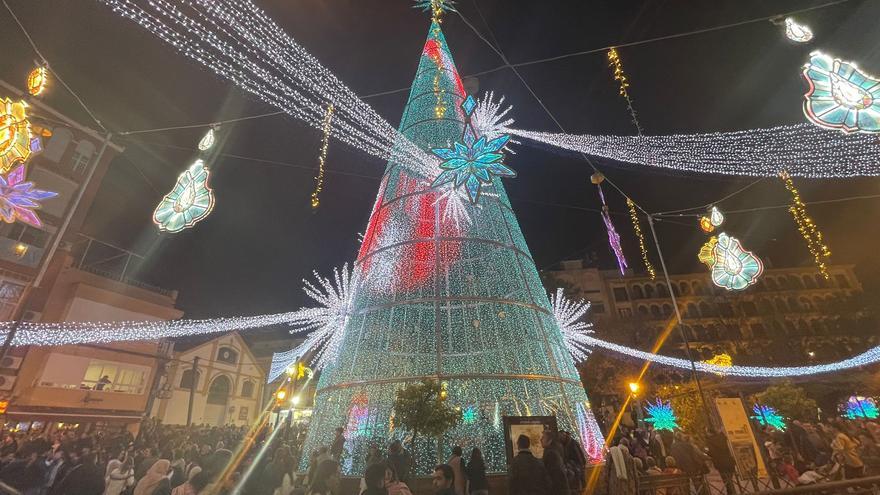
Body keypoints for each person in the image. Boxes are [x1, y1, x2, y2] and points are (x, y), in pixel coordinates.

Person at [706, 428, 736, 495]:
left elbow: (712, 452)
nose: (706, 433)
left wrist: (707, 452)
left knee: (725, 479)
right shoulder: (723, 438)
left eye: (707, 432)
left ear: (710, 433)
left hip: (720, 463)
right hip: (729, 461)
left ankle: (731, 492)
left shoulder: (709, 441)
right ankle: (731, 491)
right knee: (730, 478)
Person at [540, 430, 569, 495]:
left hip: (557, 490)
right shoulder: (554, 449)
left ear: (550, 440)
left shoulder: (551, 453)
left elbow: (553, 475)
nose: (540, 439)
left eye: (543, 437)